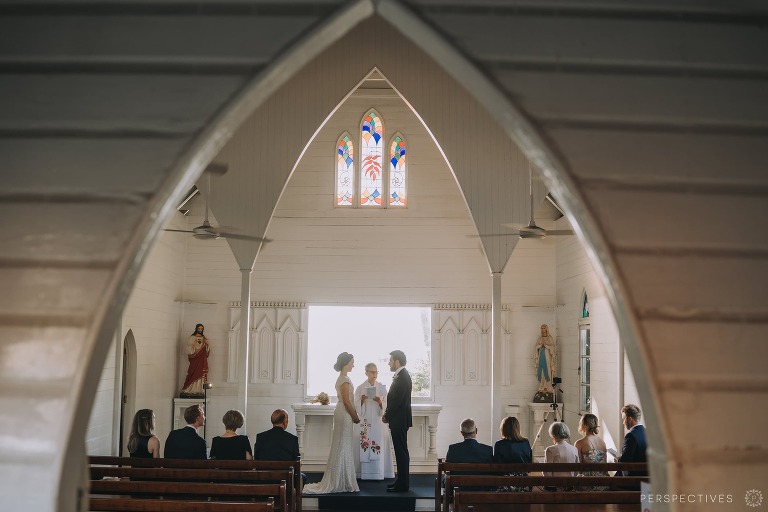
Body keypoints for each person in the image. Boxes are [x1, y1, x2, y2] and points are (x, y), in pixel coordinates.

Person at [303, 352, 361, 494]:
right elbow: (347, 401)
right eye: (352, 362)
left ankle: (343, 478)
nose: (354, 364)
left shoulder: (342, 378)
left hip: (342, 412)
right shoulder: (344, 379)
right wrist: (355, 417)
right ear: (346, 363)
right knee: (342, 444)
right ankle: (340, 480)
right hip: (345, 413)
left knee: (343, 445)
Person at [354, 363, 394, 480]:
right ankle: (364, 473)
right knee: (364, 442)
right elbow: (356, 405)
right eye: (372, 372)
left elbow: (387, 404)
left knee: (378, 442)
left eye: (376, 372)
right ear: (366, 373)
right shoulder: (360, 388)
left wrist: (379, 402)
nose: (375, 374)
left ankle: (379, 472)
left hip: (377, 420)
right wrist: (362, 400)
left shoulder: (381, 387)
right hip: (365, 420)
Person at [382, 349, 412, 493]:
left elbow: (397, 402)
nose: (389, 363)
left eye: (391, 360)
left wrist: (387, 415)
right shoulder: (401, 376)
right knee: (400, 452)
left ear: (397, 362)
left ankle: (403, 485)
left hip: (399, 420)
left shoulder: (402, 377)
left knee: (401, 452)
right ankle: (400, 481)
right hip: (399, 420)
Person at [254, 409, 307, 484]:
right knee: (303, 477)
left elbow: (256, 458)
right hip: (286, 480)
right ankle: (292, 495)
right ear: (285, 422)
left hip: (264, 479)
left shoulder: (260, 437)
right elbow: (296, 462)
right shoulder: (292, 439)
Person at [493, 416, 532, 492]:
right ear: (517, 429)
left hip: (505, 482)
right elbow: (529, 462)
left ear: (503, 429)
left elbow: (497, 466)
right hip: (524, 483)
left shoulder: (499, 444)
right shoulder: (525, 442)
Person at [573, 413, 607, 490]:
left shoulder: (580, 443)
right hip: (603, 482)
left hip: (587, 483)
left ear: (585, 425)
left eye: (580, 423)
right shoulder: (602, 442)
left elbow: (578, 465)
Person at [616, 404, 647, 477]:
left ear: (629, 419)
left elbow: (625, 461)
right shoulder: (647, 432)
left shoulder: (631, 436)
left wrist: (618, 459)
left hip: (634, 480)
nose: (623, 423)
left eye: (623, 419)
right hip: (647, 478)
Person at [180, 323, 210, 397]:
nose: (200, 330)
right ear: (196, 329)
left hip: (201, 359)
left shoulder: (204, 338)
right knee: (192, 372)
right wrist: (193, 345)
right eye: (199, 328)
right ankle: (188, 389)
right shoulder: (192, 337)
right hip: (194, 358)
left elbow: (207, 350)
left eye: (201, 329)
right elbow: (188, 349)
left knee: (200, 374)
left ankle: (199, 390)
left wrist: (207, 345)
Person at [533, 324, 557, 402]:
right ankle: (542, 387)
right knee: (542, 372)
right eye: (541, 329)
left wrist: (546, 346)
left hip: (547, 359)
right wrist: (539, 346)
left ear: (546, 330)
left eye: (544, 329)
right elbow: (536, 348)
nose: (542, 330)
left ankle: (547, 387)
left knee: (547, 372)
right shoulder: (540, 339)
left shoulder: (550, 338)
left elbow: (553, 349)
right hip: (541, 358)